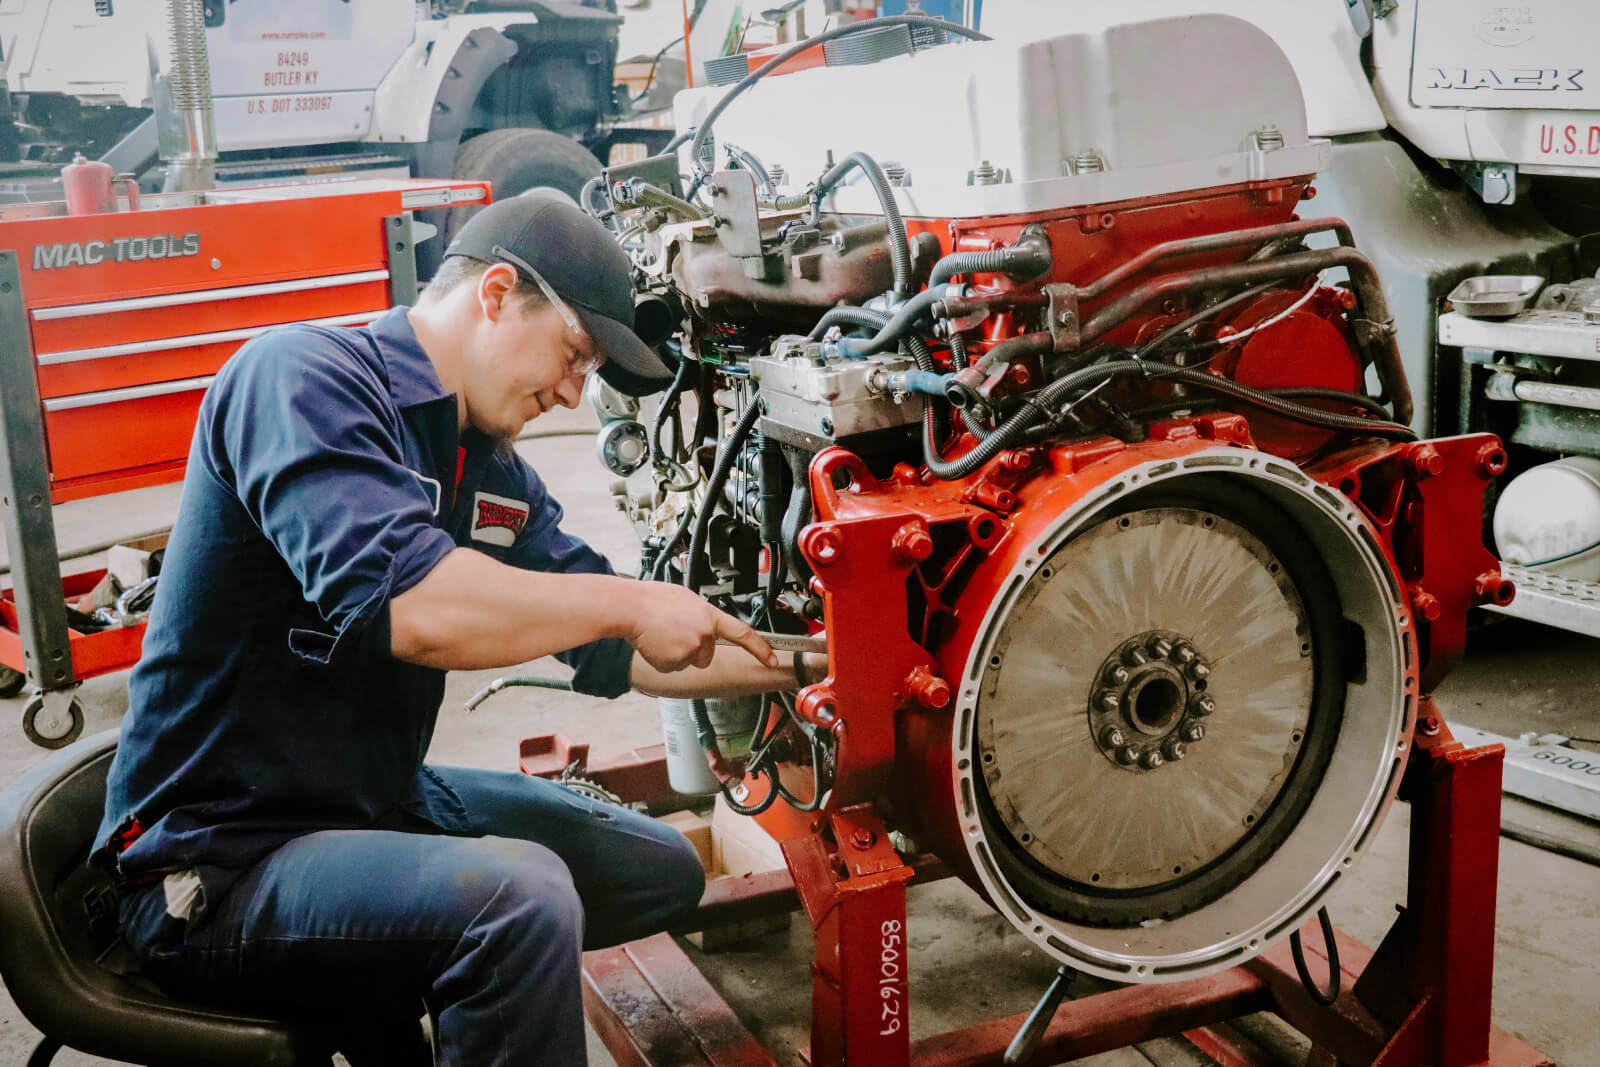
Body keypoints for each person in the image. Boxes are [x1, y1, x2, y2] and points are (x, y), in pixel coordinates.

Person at [93, 193, 814, 1065]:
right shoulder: (303, 379)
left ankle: (411, 979)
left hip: (373, 802)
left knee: (656, 867)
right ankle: (434, 971)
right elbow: (417, 610)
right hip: (221, 861)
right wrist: (631, 601)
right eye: (574, 354)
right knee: (520, 900)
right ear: (497, 292)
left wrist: (812, 662)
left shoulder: (490, 467)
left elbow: (618, 643)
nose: (572, 392)